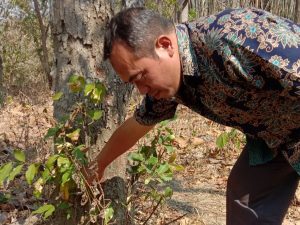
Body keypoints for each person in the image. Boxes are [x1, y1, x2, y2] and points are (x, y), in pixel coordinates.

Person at [86, 7, 300, 224]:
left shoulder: (236, 39)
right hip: (276, 136)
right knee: (245, 195)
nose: (141, 89)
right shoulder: (168, 84)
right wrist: (97, 166)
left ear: (165, 45)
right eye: (133, 82)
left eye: (141, 76)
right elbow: (139, 123)